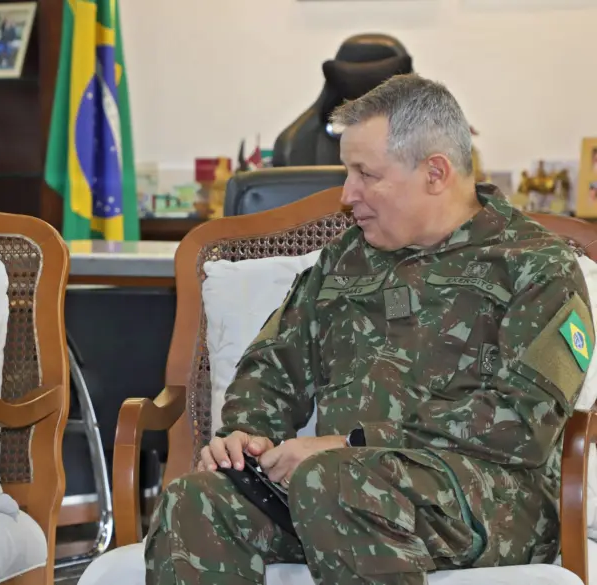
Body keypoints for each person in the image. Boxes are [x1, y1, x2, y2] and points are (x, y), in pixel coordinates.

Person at [145, 73, 594, 585]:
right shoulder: (346, 259)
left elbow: (525, 421)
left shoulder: (536, 265)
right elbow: (273, 365)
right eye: (348, 172)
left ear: (435, 172)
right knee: (194, 501)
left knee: (334, 481)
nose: (347, 194)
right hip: (337, 490)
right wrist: (246, 435)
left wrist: (354, 442)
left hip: (490, 500)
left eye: (366, 174)